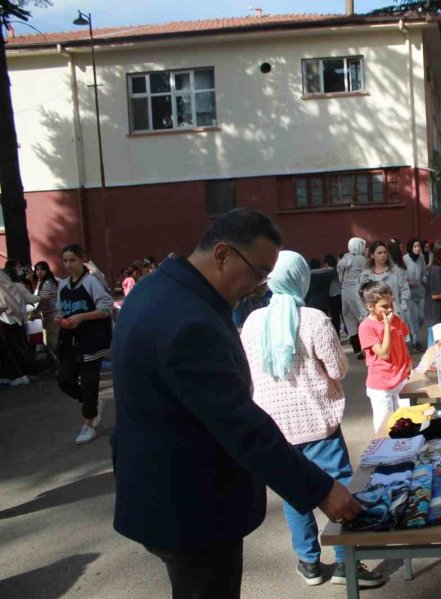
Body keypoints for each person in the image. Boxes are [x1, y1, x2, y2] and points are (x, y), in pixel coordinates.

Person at [112, 209, 360, 599]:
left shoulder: (158, 289)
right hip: (191, 508)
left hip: (165, 494)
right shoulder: (187, 318)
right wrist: (321, 489)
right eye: (259, 272)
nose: (262, 287)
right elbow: (238, 424)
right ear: (223, 255)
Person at [241, 251, 386, 588]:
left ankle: (308, 562)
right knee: (340, 488)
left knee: (295, 492)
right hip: (318, 423)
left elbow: (249, 372)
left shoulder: (252, 322)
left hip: (274, 427)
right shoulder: (314, 319)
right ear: (301, 279)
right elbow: (337, 368)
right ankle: (346, 563)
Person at [56, 244, 114, 443]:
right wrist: (60, 319)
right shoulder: (63, 285)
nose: (69, 264)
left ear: (82, 259)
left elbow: (106, 308)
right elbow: (61, 309)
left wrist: (82, 317)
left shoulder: (91, 282)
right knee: (64, 380)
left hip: (92, 340)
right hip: (70, 341)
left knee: (90, 383)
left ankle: (88, 424)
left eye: (73, 260)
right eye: (65, 261)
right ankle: (93, 403)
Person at [358, 280, 413, 431]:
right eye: (384, 306)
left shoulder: (395, 319)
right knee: (385, 427)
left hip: (401, 378)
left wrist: (409, 362)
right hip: (381, 386)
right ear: (370, 306)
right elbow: (383, 353)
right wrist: (387, 326)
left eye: (391, 304)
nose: (389, 310)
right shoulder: (366, 327)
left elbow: (402, 342)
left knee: (408, 423)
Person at [358, 241, 411, 346]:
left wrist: (403, 306)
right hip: (375, 316)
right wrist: (365, 313)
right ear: (372, 255)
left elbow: (405, 289)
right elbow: (360, 297)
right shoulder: (366, 275)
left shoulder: (396, 270)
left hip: (394, 313)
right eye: (379, 253)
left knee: (397, 345)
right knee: (381, 346)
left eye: (384, 252)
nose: (383, 255)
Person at [0, 267, 40, 386]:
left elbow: (6, 302)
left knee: (12, 349)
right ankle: (10, 374)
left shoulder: (8, 283)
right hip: (12, 318)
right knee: (12, 348)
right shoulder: (11, 283)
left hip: (8, 318)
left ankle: (19, 375)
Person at [337, 237, 368, 359]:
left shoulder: (344, 258)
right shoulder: (361, 259)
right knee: (364, 318)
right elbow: (367, 275)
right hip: (357, 291)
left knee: (349, 320)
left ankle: (357, 351)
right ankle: (368, 347)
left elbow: (340, 279)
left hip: (344, 292)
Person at [33, 261, 61, 370]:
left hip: (52, 314)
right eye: (37, 269)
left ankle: (60, 367)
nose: (39, 272)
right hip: (47, 314)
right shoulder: (43, 282)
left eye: (42, 269)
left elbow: (44, 300)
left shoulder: (48, 283)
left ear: (47, 270)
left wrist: (35, 312)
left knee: (52, 342)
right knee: (48, 342)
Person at [403, 239, 427, 352]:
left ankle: (413, 333)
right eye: (415, 246)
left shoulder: (422, 258)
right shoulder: (405, 259)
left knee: (421, 317)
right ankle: (416, 341)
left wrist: (425, 279)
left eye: (419, 246)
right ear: (410, 248)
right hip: (409, 294)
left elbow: (424, 272)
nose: (417, 248)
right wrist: (407, 282)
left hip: (421, 292)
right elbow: (401, 275)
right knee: (413, 318)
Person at [323, 254, 343, 336]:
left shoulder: (326, 272)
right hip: (341, 295)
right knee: (345, 316)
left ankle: (337, 335)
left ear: (326, 264)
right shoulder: (338, 270)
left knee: (335, 318)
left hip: (332, 297)